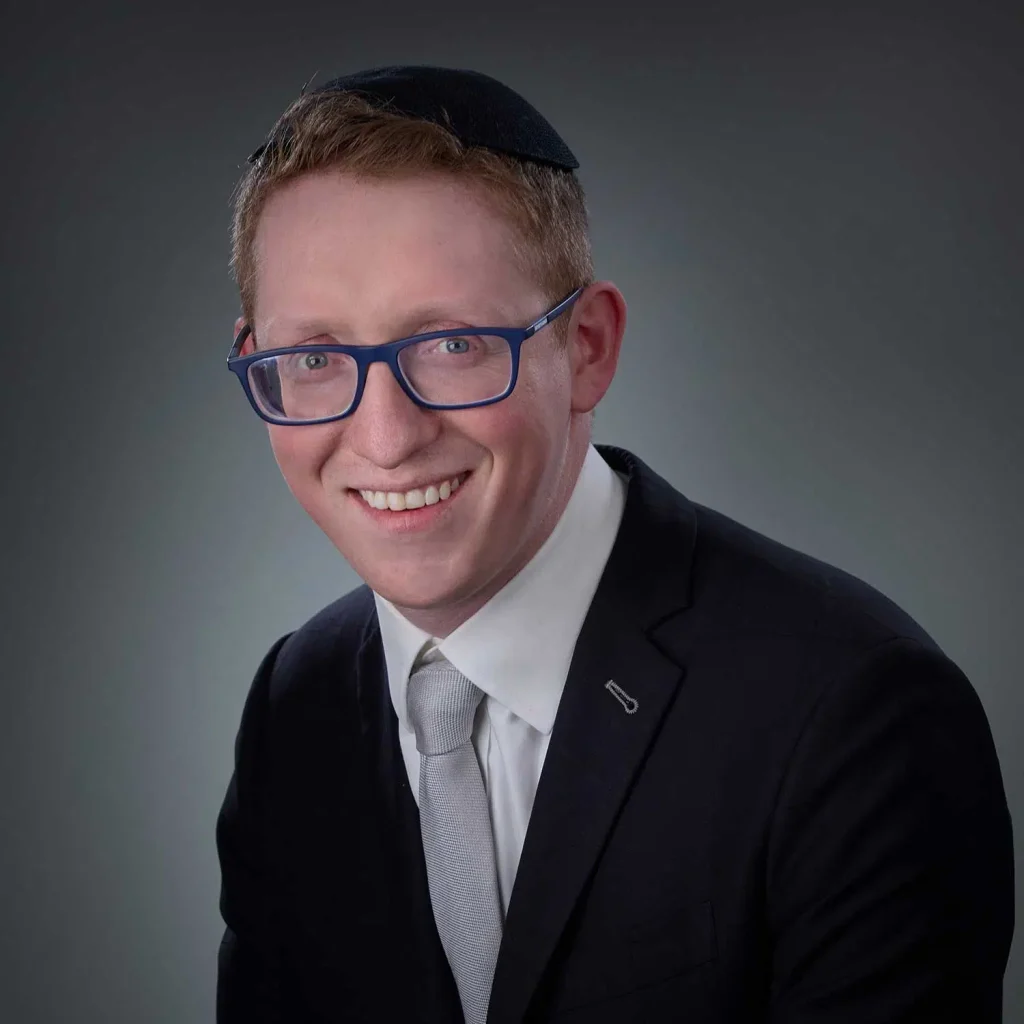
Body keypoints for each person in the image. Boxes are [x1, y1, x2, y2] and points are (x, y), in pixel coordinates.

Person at [215, 66, 1014, 1024]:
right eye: (312, 359)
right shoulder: (295, 705)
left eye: (454, 345)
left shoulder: (853, 714)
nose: (385, 436)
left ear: (587, 347)